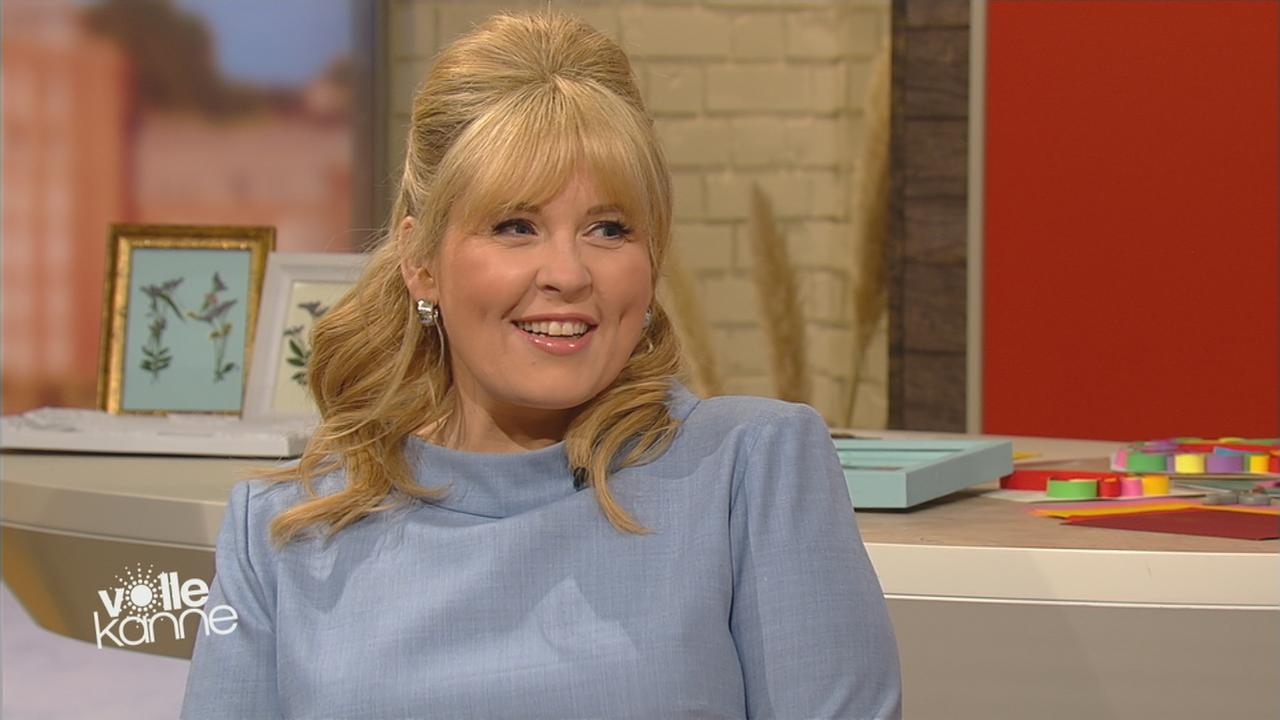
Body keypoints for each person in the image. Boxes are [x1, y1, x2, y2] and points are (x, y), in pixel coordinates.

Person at [182, 11, 901, 719]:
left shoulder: (751, 471)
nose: (568, 273)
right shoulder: (283, 530)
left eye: (609, 229)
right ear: (420, 261)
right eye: (515, 226)